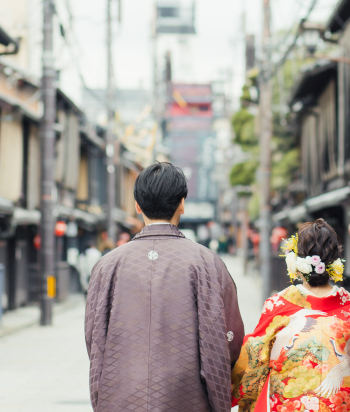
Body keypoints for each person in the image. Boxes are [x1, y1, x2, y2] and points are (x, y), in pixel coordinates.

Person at [85, 162, 245, 412]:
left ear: (137, 205)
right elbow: (230, 338)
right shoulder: (206, 262)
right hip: (188, 398)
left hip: (120, 397)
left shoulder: (107, 265)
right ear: (182, 203)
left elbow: (94, 337)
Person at [231, 219, 350, 412]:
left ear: (295, 262)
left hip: (289, 405)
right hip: (341, 406)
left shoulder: (278, 305)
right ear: (335, 261)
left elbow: (255, 357)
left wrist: (237, 395)